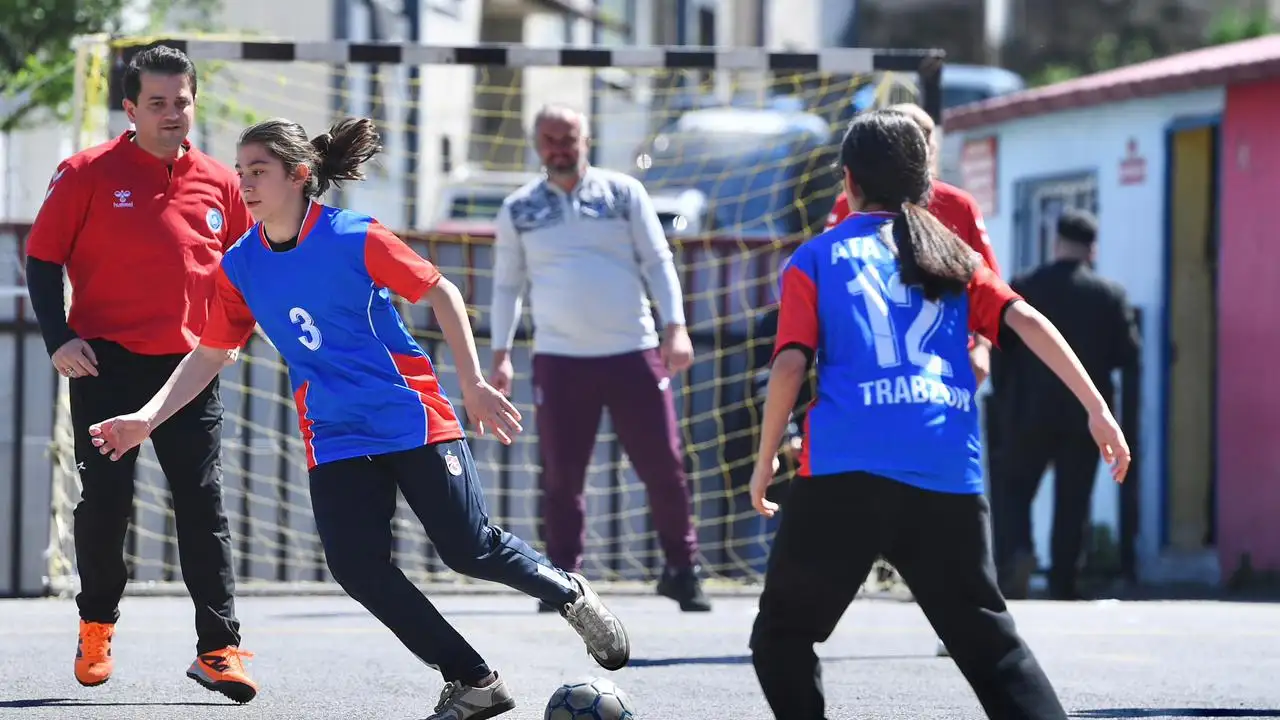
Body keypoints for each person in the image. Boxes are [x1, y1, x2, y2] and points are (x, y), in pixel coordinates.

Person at [87, 116, 632, 720]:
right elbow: (212, 353)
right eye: (240, 172)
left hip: (410, 416)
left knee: (467, 548)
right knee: (355, 565)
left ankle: (569, 593)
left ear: (299, 175)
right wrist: (146, 417)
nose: (245, 183)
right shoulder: (240, 265)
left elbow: (442, 292)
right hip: (335, 434)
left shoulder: (354, 236)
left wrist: (473, 384)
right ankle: (474, 680)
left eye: (259, 170)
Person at [745, 109, 1131, 720]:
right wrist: (1098, 410)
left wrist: (766, 461)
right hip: (946, 471)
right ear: (926, 183)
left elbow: (790, 366)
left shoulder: (816, 258)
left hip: (847, 470)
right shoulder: (950, 256)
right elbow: (1025, 320)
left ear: (848, 182)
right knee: (993, 650)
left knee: (781, 638)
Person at [23, 45, 257, 700]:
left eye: (181, 101)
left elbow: (247, 267)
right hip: (105, 366)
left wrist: (236, 331)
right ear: (130, 108)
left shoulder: (221, 182)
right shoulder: (85, 172)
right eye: (157, 103)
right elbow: (41, 260)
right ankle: (96, 623)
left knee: (203, 504)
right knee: (107, 504)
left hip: (189, 368)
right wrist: (59, 337)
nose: (172, 114)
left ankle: (220, 648)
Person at [488, 104, 710, 612]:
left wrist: (675, 329)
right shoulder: (518, 208)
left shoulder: (623, 193)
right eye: (549, 139)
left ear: (587, 139)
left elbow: (658, 262)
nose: (560, 147)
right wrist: (500, 355)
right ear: (536, 144)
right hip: (560, 359)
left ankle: (682, 568)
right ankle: (565, 582)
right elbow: (506, 287)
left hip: (633, 351)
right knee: (562, 476)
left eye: (569, 137)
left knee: (665, 467)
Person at [989, 208, 1142, 601]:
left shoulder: (1025, 286)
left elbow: (1001, 351)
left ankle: (1018, 553)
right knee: (1074, 500)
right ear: (1092, 249)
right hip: (1083, 417)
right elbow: (1128, 354)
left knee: (1015, 490)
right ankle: (1063, 581)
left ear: (1056, 242)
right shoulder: (1108, 296)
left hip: (1028, 413)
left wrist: (1006, 403)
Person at [825, 102, 1001, 385]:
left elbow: (991, 289)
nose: (923, 143)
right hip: (871, 357)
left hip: (943, 357)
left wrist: (982, 348)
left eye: (927, 134)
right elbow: (828, 283)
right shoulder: (849, 204)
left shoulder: (959, 204)